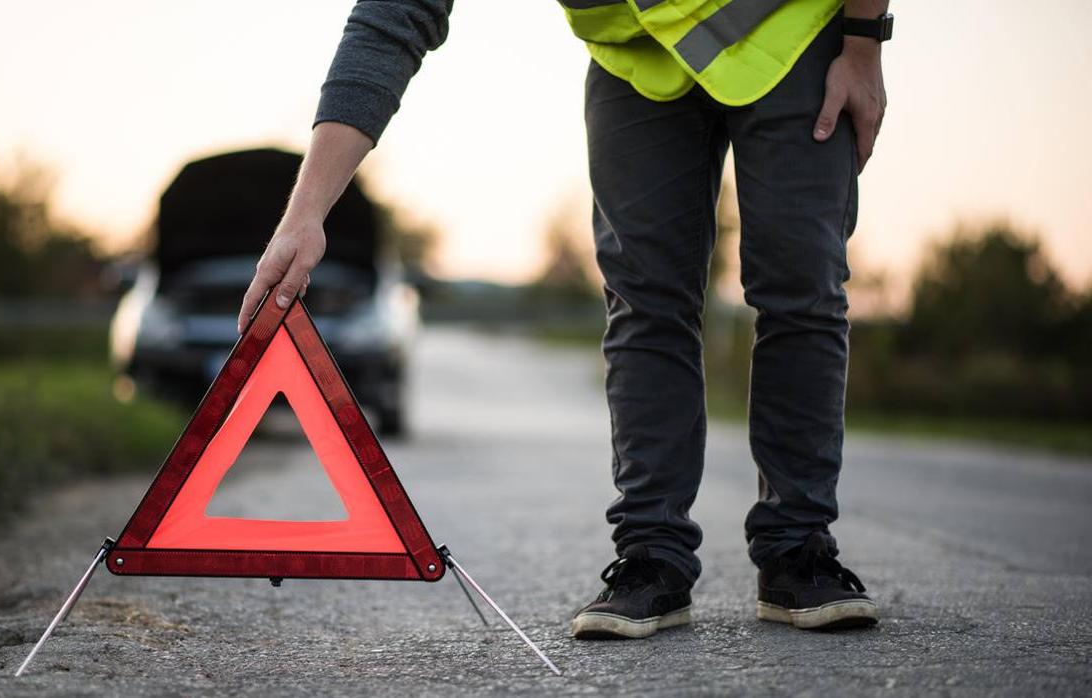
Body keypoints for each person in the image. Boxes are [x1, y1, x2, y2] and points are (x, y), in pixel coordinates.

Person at [237, 0, 890, 639]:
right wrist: (305, 214)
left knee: (800, 287)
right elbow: (391, 17)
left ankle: (797, 549)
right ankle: (652, 554)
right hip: (636, 59)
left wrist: (862, 43)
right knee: (645, 302)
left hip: (795, 31)